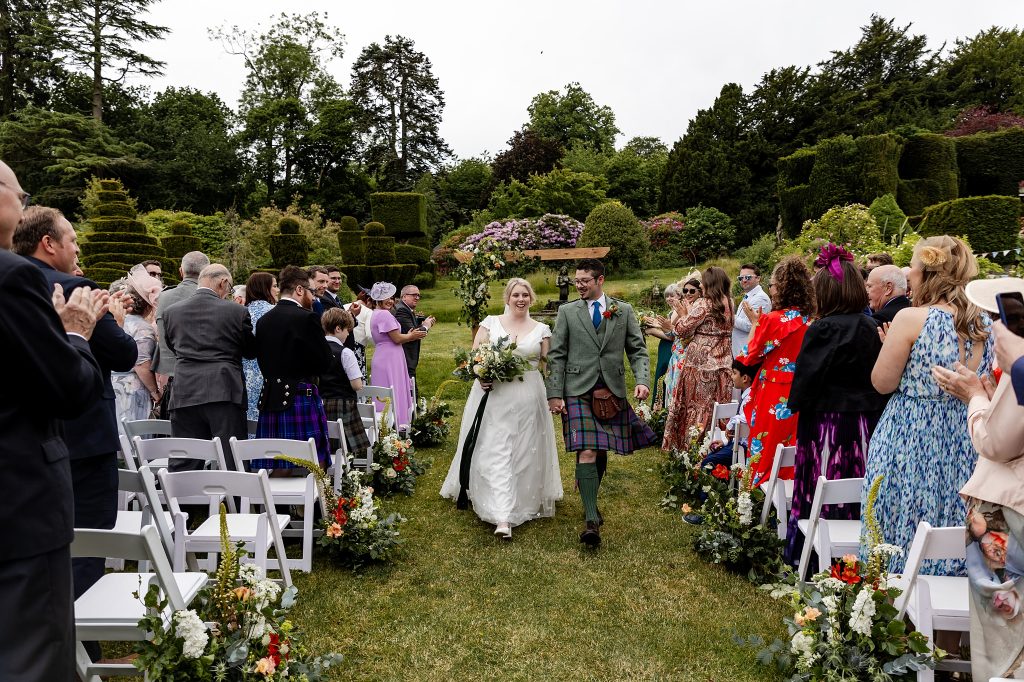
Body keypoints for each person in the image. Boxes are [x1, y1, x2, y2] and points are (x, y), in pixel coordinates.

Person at [0, 159, 106, 682]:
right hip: (17, 499)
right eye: (18, 194)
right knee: (32, 656)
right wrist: (77, 333)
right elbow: (68, 387)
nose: (21, 206)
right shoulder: (15, 278)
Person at [13, 206, 139, 611]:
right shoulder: (76, 288)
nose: (79, 244)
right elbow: (122, 355)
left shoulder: (10, 283)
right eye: (72, 237)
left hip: (28, 439)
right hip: (85, 434)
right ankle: (82, 643)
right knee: (88, 538)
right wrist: (114, 323)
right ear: (48, 244)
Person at [863, 235, 993, 574]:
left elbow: (882, 382)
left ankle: (895, 615)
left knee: (899, 528)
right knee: (953, 530)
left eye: (913, 273)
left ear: (926, 275)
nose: (910, 280)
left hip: (910, 439)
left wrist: (889, 347)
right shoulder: (985, 324)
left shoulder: (910, 318)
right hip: (965, 439)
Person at [933, 282, 1024, 680]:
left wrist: (973, 396)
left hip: (1008, 505)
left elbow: (995, 442)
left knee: (1004, 635)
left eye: (994, 319)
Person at [785, 246, 888, 563]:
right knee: (861, 483)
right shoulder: (874, 327)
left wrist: (797, 402)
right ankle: (860, 555)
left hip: (828, 423)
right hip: (867, 422)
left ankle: (815, 557)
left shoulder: (823, 328)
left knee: (824, 479)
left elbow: (806, 379)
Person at [546, 258, 655, 547]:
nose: (579, 285)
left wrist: (642, 380)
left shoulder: (623, 310)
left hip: (611, 390)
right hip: (577, 389)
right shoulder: (568, 312)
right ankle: (591, 520)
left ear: (600, 280)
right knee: (589, 450)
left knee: (601, 449)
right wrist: (555, 393)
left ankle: (588, 496)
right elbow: (556, 355)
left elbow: (638, 350)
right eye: (576, 281)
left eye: (584, 280)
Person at [441, 278, 562, 538]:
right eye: (516, 294)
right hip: (494, 396)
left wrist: (555, 395)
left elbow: (549, 365)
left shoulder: (542, 329)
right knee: (496, 449)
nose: (520, 299)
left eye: (525, 295)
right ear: (507, 298)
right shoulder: (490, 323)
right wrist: (481, 374)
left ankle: (523, 497)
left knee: (523, 450)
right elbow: (474, 358)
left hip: (529, 396)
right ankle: (502, 516)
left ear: (531, 298)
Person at [163, 264, 256, 470]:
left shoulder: (172, 312)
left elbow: (173, 347)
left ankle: (184, 502)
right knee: (231, 458)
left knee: (184, 459)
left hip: (184, 390)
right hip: (224, 390)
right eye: (230, 288)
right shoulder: (237, 311)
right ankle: (237, 501)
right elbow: (250, 350)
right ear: (223, 282)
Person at [738, 255, 814, 487]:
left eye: (773, 284)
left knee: (766, 445)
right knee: (792, 445)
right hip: (802, 391)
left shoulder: (771, 320)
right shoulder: (811, 319)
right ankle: (787, 496)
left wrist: (755, 326)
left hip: (773, 392)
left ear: (782, 287)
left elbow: (748, 357)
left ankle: (754, 499)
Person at [253, 266, 334, 471]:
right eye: (311, 292)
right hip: (300, 396)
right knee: (315, 462)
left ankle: (276, 504)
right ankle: (318, 502)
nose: (314, 298)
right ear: (299, 289)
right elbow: (324, 362)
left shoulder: (264, 321)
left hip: (271, 398)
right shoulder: (306, 318)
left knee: (278, 462)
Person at [661, 267, 734, 451]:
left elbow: (681, 330)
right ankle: (714, 446)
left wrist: (682, 315)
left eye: (703, 282)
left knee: (695, 406)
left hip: (700, 363)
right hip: (724, 361)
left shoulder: (704, 303)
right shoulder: (729, 302)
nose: (700, 285)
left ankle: (689, 448)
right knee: (716, 406)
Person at [153, 250, 210, 417]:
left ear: (181, 271)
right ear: (207, 273)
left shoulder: (163, 297)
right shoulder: (211, 299)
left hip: (170, 377)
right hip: (202, 380)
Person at [109, 267, 162, 431]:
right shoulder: (143, 328)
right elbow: (142, 365)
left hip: (112, 383)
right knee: (134, 436)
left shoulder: (114, 320)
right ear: (147, 304)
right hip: (131, 388)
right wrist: (155, 393)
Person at [368, 282, 425, 433]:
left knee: (385, 389)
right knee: (394, 388)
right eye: (386, 298)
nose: (391, 301)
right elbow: (397, 338)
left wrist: (408, 335)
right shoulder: (385, 314)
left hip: (383, 355)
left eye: (392, 298)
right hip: (390, 357)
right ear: (378, 299)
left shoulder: (375, 313)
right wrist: (412, 335)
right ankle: (399, 425)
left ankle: (384, 426)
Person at [320, 307, 371, 460]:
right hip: (343, 404)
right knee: (346, 447)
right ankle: (347, 477)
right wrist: (360, 384)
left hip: (321, 403)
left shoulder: (316, 350)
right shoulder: (345, 352)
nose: (348, 333)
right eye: (347, 330)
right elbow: (356, 385)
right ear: (338, 328)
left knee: (327, 445)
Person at [242, 273, 278, 424]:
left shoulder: (240, 312)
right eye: (275, 286)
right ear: (264, 288)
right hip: (268, 376)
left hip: (243, 377)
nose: (278, 290)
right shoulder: (274, 312)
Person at [643, 283, 679, 409]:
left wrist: (652, 331)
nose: (669, 298)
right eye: (667, 296)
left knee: (664, 375)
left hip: (670, 347)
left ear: (679, 296)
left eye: (672, 296)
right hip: (665, 346)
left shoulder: (678, 312)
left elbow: (671, 336)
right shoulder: (672, 311)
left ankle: (662, 408)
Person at [394, 284, 436, 383]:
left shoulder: (406, 308)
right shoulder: (402, 310)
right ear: (404, 296)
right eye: (414, 295)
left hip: (407, 358)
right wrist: (426, 326)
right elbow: (414, 333)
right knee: (411, 391)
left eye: (418, 295)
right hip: (405, 357)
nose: (417, 298)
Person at [732, 263, 771, 358]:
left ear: (758, 278)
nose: (744, 280)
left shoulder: (760, 298)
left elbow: (751, 325)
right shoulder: (748, 296)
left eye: (748, 277)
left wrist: (729, 316)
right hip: (740, 351)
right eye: (741, 278)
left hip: (748, 352)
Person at [345, 289, 374, 376]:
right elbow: (369, 335)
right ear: (369, 300)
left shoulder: (344, 306)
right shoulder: (369, 312)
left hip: (344, 344)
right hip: (357, 347)